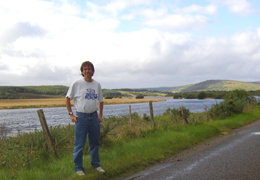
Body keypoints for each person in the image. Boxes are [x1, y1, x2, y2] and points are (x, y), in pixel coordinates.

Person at [65, 61, 105, 176]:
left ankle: (96, 165)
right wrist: (71, 114)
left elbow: (101, 100)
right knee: (79, 145)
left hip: (94, 117)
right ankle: (78, 168)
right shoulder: (76, 83)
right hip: (81, 117)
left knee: (94, 143)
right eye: (85, 69)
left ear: (93, 71)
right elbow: (67, 98)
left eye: (89, 69)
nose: (87, 71)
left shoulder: (97, 85)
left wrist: (100, 115)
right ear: (82, 72)